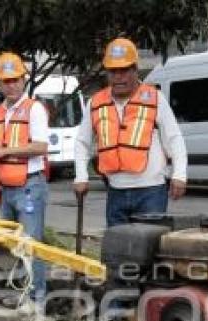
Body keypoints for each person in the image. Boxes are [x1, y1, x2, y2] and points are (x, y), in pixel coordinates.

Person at [73, 37, 188, 227]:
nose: (118, 76)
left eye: (124, 70)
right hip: (115, 192)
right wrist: (80, 177)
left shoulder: (155, 98)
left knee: (148, 250)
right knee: (118, 251)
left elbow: (174, 139)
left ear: (135, 69)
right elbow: (82, 142)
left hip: (151, 192)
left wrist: (179, 175)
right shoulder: (95, 102)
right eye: (113, 71)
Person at [0, 52, 50, 310]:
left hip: (29, 186)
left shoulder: (34, 108)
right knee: (14, 245)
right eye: (6, 81)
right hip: (7, 188)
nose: (11, 85)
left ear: (23, 80)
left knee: (31, 243)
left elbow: (41, 146)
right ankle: (22, 292)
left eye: (15, 79)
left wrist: (5, 151)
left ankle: (37, 298)